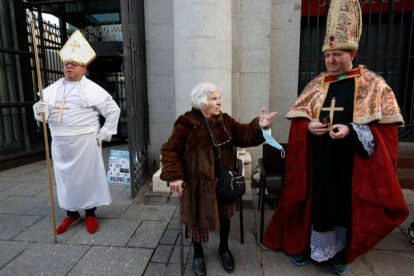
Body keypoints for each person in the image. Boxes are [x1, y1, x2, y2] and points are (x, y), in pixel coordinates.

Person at [262, 0, 408, 275]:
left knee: (343, 207)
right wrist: (308, 128)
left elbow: (385, 135)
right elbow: (299, 121)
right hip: (318, 162)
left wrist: (351, 131)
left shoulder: (373, 84)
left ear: (351, 52)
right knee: (316, 204)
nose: (331, 61)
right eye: (327, 56)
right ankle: (310, 248)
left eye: (337, 55)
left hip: (351, 164)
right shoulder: (317, 84)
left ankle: (341, 253)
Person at [160, 82, 276, 275]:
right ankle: (198, 254)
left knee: (225, 217)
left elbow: (244, 134)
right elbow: (170, 150)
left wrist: (259, 126)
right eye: (214, 98)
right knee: (197, 221)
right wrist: (174, 177)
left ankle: (224, 248)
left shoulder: (225, 121)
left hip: (223, 182)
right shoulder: (186, 122)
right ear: (202, 101)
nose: (219, 102)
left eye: (219, 98)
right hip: (197, 185)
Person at [33, 30, 120, 235]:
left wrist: (104, 133)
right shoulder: (52, 89)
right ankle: (72, 214)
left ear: (84, 67)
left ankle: (90, 214)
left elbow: (113, 111)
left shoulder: (92, 89)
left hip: (85, 142)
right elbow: (41, 114)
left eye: (74, 63)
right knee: (65, 179)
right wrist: (39, 111)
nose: (69, 66)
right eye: (67, 63)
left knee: (87, 177)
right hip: (61, 144)